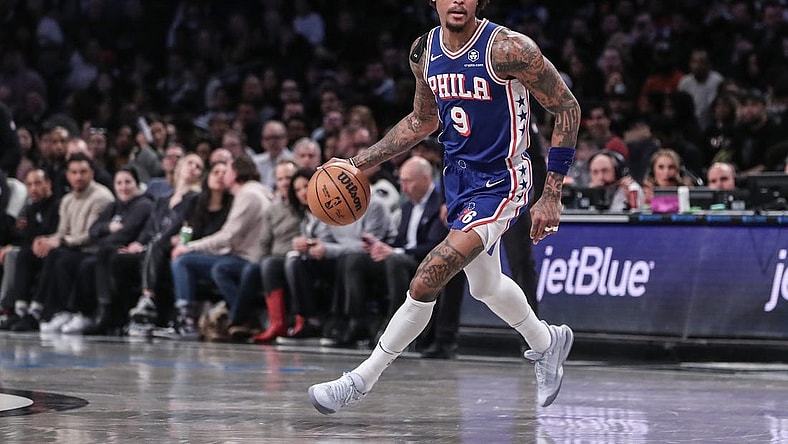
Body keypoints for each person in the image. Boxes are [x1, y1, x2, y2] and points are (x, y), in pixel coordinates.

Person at [308, 0, 580, 414]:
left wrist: (552, 192)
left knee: (426, 277)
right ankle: (547, 343)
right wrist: (356, 163)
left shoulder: (508, 49)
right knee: (485, 287)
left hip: (503, 180)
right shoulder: (424, 51)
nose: (458, 1)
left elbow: (567, 108)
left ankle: (359, 380)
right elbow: (422, 121)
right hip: (458, 180)